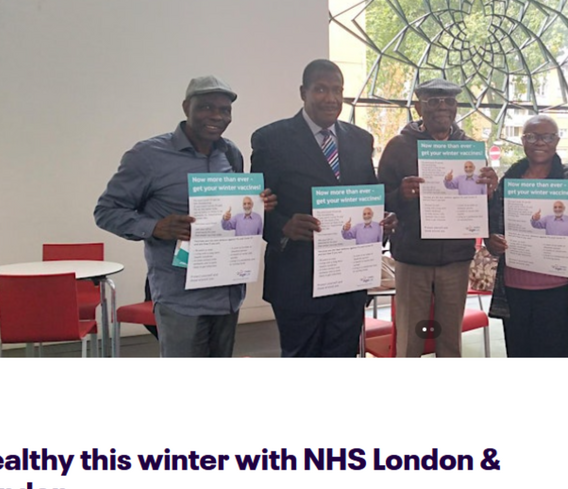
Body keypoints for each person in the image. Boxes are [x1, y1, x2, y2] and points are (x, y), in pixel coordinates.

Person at [94, 75, 276, 358]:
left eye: (224, 110)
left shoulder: (230, 154)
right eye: (206, 107)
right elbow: (106, 211)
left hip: (227, 293)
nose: (216, 116)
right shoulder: (148, 155)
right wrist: (155, 227)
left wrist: (258, 203)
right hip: (180, 296)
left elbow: (232, 210)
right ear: (186, 107)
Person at [251, 59, 389, 357]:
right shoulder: (271, 140)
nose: (331, 98)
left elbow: (370, 194)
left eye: (337, 90)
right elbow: (254, 205)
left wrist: (383, 218)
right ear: (304, 92)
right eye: (321, 89)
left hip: (349, 280)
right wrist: (283, 226)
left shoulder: (360, 140)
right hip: (297, 280)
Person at [379, 78, 499, 358]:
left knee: (449, 340)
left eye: (449, 101)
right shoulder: (398, 147)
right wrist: (400, 195)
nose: (442, 107)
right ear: (419, 107)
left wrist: (490, 188)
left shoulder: (469, 149)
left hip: (456, 259)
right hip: (413, 257)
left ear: (457, 107)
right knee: (411, 337)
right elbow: (379, 199)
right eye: (433, 102)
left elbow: (481, 203)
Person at [486, 114, 568, 358]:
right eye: (532, 136)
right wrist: (492, 241)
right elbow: (494, 227)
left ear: (556, 140)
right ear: (523, 141)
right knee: (518, 354)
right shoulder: (510, 180)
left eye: (547, 136)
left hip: (560, 291)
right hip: (515, 289)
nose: (539, 142)